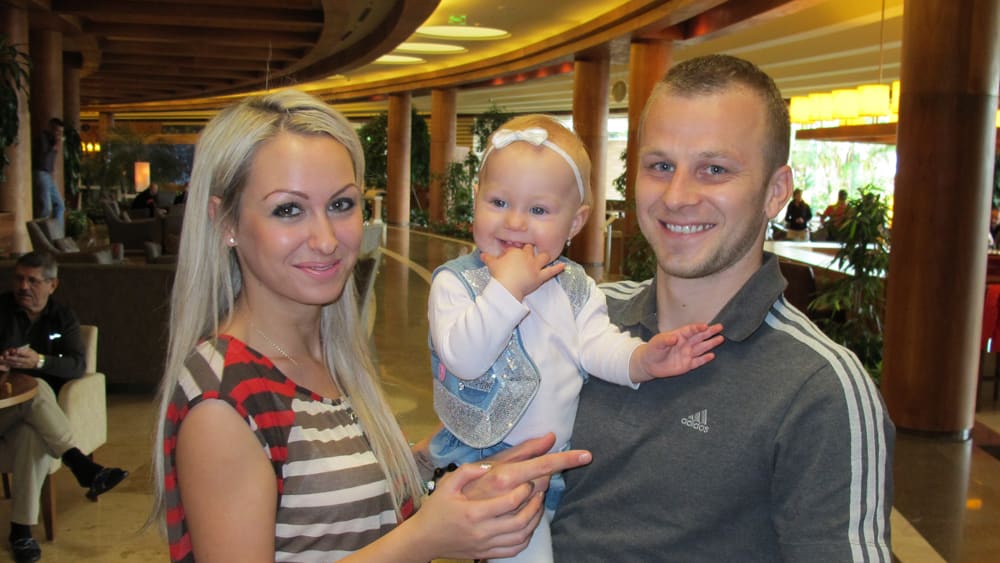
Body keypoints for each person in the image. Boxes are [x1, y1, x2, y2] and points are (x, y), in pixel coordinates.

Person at [150, 89, 591, 563]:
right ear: (225, 222)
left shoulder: (325, 358)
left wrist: (447, 461)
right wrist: (425, 537)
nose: (325, 240)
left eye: (341, 204)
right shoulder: (224, 398)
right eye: (288, 210)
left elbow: (339, 503)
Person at [551, 54, 894, 561]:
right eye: (660, 166)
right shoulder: (580, 316)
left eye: (714, 169)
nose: (677, 196)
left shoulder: (820, 388)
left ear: (775, 192)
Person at [427, 115, 724, 562]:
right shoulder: (457, 284)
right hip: (485, 461)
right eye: (499, 201)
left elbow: (597, 345)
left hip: (553, 466)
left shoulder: (575, 287)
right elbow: (465, 359)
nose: (514, 222)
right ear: (475, 200)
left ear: (575, 222)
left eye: (539, 211)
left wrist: (642, 359)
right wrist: (505, 289)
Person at [0, 252, 129, 563]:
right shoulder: (0, 310)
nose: (24, 287)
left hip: (34, 419)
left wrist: (40, 361)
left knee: (31, 436)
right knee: (38, 389)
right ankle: (78, 462)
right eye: (19, 279)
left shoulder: (63, 318)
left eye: (33, 281)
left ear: (52, 284)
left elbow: (76, 366)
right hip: (3, 408)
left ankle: (21, 532)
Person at [32, 118, 66, 224]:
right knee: (46, 209)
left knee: (60, 205)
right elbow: (43, 158)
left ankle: (58, 232)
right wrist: (55, 146)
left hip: (48, 175)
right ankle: (43, 231)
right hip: (41, 173)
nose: (58, 134)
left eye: (60, 132)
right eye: (57, 131)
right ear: (50, 128)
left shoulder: (51, 140)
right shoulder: (42, 139)